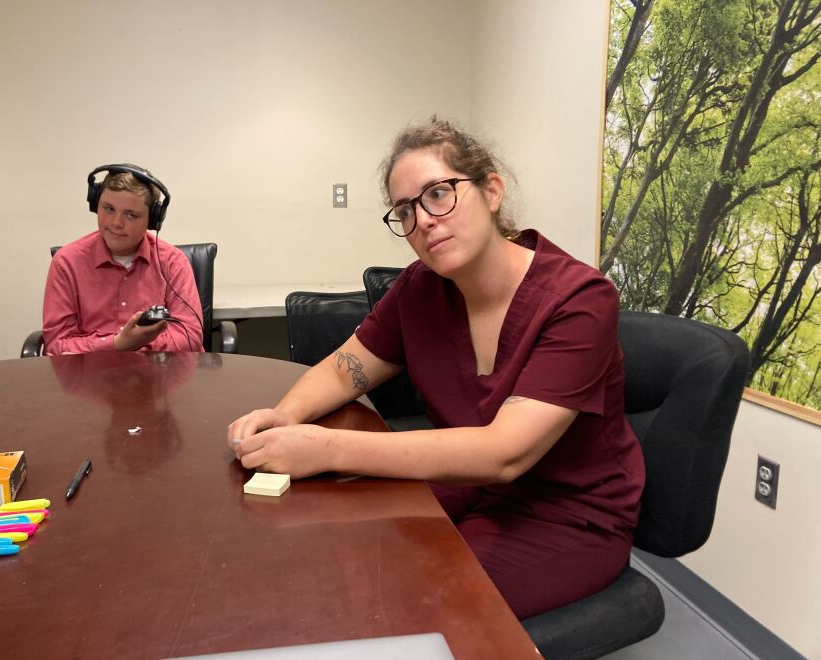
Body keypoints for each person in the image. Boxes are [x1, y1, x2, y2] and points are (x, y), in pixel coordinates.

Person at [226, 118, 645, 619]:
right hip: (469, 483)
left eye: (439, 194)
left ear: (491, 190)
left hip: (568, 512)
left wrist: (325, 448)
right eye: (404, 209)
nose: (423, 220)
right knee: (338, 542)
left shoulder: (579, 301)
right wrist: (284, 416)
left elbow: (504, 454)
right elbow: (344, 369)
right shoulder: (420, 289)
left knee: (414, 599)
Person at [42, 164, 203, 355]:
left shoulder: (173, 262)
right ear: (95, 205)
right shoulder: (66, 263)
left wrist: (135, 345)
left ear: (152, 220)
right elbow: (58, 344)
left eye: (131, 215)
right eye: (109, 209)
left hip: (158, 378)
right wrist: (118, 344)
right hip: (91, 379)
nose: (116, 223)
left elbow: (190, 336)